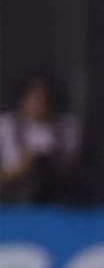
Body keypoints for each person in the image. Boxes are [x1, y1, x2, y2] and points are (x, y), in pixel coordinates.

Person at [0, 73, 81, 205]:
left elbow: (72, 168)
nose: (41, 104)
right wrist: (25, 166)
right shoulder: (7, 125)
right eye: (36, 98)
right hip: (14, 198)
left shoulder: (67, 126)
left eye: (46, 98)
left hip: (58, 196)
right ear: (23, 100)